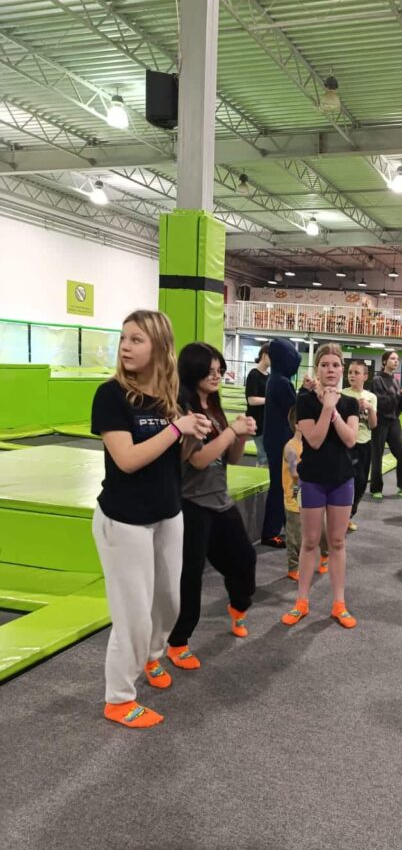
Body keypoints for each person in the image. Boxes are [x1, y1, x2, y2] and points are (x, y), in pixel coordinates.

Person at [91, 309, 211, 728]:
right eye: (124, 338)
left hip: (167, 513)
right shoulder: (111, 395)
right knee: (133, 616)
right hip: (124, 520)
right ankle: (119, 698)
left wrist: (190, 434)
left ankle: (150, 656)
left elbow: (174, 457)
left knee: (169, 604)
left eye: (136, 339)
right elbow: (127, 460)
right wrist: (176, 429)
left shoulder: (168, 398)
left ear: (160, 347)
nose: (125, 346)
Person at [167, 343, 257, 669]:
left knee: (244, 559)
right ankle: (178, 642)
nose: (216, 375)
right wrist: (232, 431)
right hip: (192, 504)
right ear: (193, 372)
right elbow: (199, 460)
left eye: (219, 370)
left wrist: (241, 435)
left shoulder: (214, 408)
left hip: (220, 500)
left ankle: (238, 605)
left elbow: (230, 458)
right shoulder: (184, 411)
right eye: (210, 370)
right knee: (190, 577)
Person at [282, 344, 360, 630]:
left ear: (341, 370)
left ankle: (339, 603)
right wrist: (326, 407)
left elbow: (350, 439)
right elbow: (314, 440)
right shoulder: (304, 400)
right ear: (317, 369)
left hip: (342, 480)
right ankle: (301, 601)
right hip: (313, 480)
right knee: (311, 541)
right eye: (325, 364)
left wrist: (334, 410)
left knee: (337, 542)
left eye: (335, 365)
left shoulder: (350, 403)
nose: (330, 369)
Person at [261, 337, 301, 548]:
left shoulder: (275, 379)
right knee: (280, 486)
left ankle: (280, 527)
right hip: (280, 442)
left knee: (281, 485)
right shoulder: (282, 382)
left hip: (275, 439)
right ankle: (271, 532)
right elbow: (296, 409)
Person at [283, 407, 329, 581]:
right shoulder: (291, 447)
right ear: (298, 425)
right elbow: (294, 472)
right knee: (295, 536)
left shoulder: (314, 444)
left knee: (323, 531)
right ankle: (293, 567)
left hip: (315, 496)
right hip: (295, 499)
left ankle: (325, 555)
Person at [370, 349, 402, 500]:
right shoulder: (377, 380)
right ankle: (376, 488)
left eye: (397, 359)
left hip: (394, 422)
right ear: (384, 362)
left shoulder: (395, 381)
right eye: (393, 358)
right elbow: (381, 402)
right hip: (379, 422)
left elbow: (398, 406)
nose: (396, 361)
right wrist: (400, 393)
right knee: (377, 456)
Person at [341, 359, 377, 532]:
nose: (352, 375)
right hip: (347, 444)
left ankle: (349, 514)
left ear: (365, 376)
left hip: (364, 444)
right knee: (345, 480)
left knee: (361, 482)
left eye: (356, 373)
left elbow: (373, 425)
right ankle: (341, 517)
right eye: (350, 372)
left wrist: (369, 408)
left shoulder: (371, 397)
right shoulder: (342, 394)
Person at [245, 344, 270, 466]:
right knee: (263, 455)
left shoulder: (269, 376)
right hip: (257, 422)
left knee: (266, 454)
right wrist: (270, 400)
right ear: (264, 355)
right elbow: (251, 400)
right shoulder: (254, 374)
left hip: (266, 421)